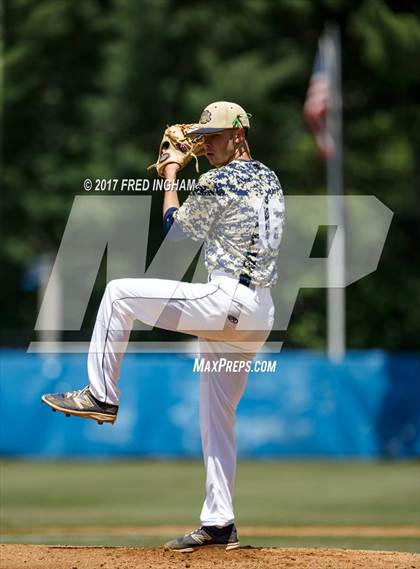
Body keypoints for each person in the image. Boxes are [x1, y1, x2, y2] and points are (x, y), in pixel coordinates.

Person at [41, 101, 285, 552]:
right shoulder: (268, 176)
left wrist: (171, 177)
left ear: (239, 134)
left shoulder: (219, 178)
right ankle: (218, 523)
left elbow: (177, 231)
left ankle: (101, 395)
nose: (207, 144)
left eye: (215, 136)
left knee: (117, 293)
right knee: (217, 417)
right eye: (204, 137)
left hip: (228, 299)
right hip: (259, 314)